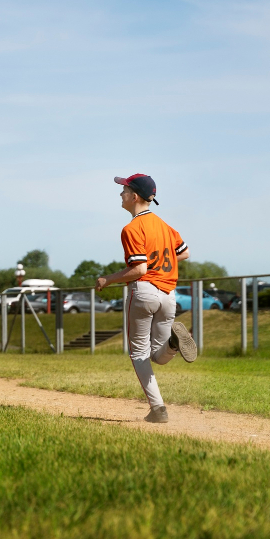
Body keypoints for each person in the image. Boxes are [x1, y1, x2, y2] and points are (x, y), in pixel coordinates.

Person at [96, 173, 197, 423]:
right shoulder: (165, 226)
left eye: (124, 190)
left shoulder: (131, 228)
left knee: (139, 353)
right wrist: (161, 259)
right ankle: (174, 343)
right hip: (168, 295)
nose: (121, 194)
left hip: (144, 291)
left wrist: (108, 279)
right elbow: (184, 253)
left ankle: (158, 409)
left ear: (134, 196)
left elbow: (140, 269)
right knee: (159, 356)